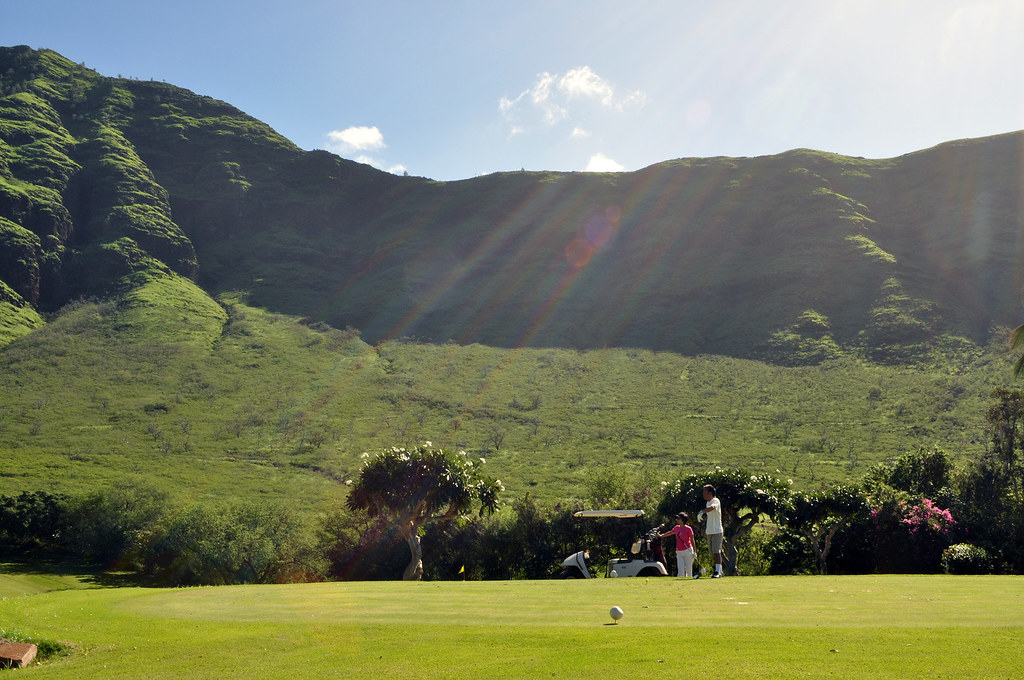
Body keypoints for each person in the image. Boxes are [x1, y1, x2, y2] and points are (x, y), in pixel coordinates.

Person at [698, 484, 724, 578]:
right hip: (709, 531)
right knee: (713, 552)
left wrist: (702, 512)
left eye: (704, 491)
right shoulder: (707, 503)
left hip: (717, 531)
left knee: (717, 551)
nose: (703, 494)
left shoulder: (715, 500)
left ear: (710, 493)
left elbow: (712, 508)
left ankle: (717, 572)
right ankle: (719, 571)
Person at [658, 512, 696, 578]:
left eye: (679, 518)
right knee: (680, 570)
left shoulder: (688, 529)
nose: (677, 520)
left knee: (688, 570)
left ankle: (689, 582)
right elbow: (670, 532)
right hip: (679, 551)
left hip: (688, 550)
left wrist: (694, 552)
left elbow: (692, 540)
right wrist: (661, 536)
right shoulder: (676, 528)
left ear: (683, 520)